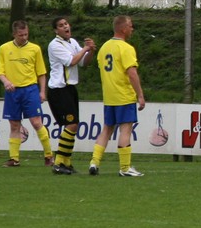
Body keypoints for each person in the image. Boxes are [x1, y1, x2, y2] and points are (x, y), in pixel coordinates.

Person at [89, 15, 146, 177]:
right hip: (123, 95)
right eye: (130, 26)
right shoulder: (126, 48)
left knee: (107, 129)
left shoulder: (104, 48)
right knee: (125, 129)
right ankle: (125, 168)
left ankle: (94, 162)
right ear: (123, 29)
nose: (132, 28)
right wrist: (140, 95)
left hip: (109, 96)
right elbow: (132, 73)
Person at [0, 20, 53, 167]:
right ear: (14, 34)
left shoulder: (35, 49)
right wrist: (6, 82)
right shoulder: (4, 48)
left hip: (30, 89)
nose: (24, 37)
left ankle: (49, 156)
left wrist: (42, 91)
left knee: (36, 122)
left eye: (26, 34)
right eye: (21, 35)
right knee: (14, 125)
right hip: (12, 92)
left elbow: (41, 73)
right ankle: (14, 159)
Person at [47, 16, 96, 175]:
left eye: (66, 23)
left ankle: (66, 162)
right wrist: (84, 49)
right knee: (71, 124)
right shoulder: (55, 45)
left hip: (70, 88)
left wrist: (91, 51)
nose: (65, 26)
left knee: (73, 125)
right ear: (56, 30)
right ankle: (59, 162)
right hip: (59, 88)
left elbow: (84, 63)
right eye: (61, 25)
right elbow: (71, 61)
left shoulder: (72, 42)